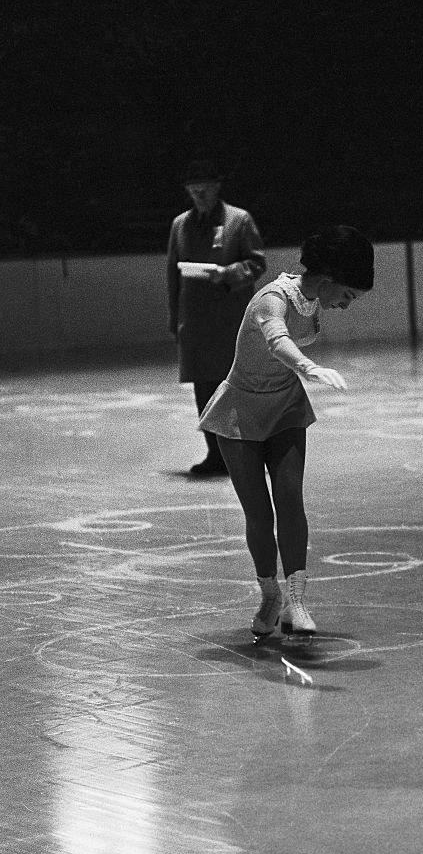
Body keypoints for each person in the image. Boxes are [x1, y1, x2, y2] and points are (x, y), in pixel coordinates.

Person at [199, 225, 374, 637]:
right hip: (241, 410)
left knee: (290, 501)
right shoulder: (271, 299)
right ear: (328, 280)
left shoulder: (312, 300)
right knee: (259, 512)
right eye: (347, 296)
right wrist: (309, 367)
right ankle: (269, 595)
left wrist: (300, 375)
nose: (346, 306)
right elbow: (277, 340)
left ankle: (297, 602)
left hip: (285, 407)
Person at [167, 160, 267, 476]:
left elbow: (256, 263)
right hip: (195, 324)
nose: (199, 195)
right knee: (204, 391)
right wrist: (175, 317)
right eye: (193, 191)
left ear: (216, 188)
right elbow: (173, 274)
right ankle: (215, 454)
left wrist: (228, 274)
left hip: (230, 323)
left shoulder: (239, 220)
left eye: (204, 190)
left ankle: (244, 453)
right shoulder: (180, 225)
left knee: (234, 389)